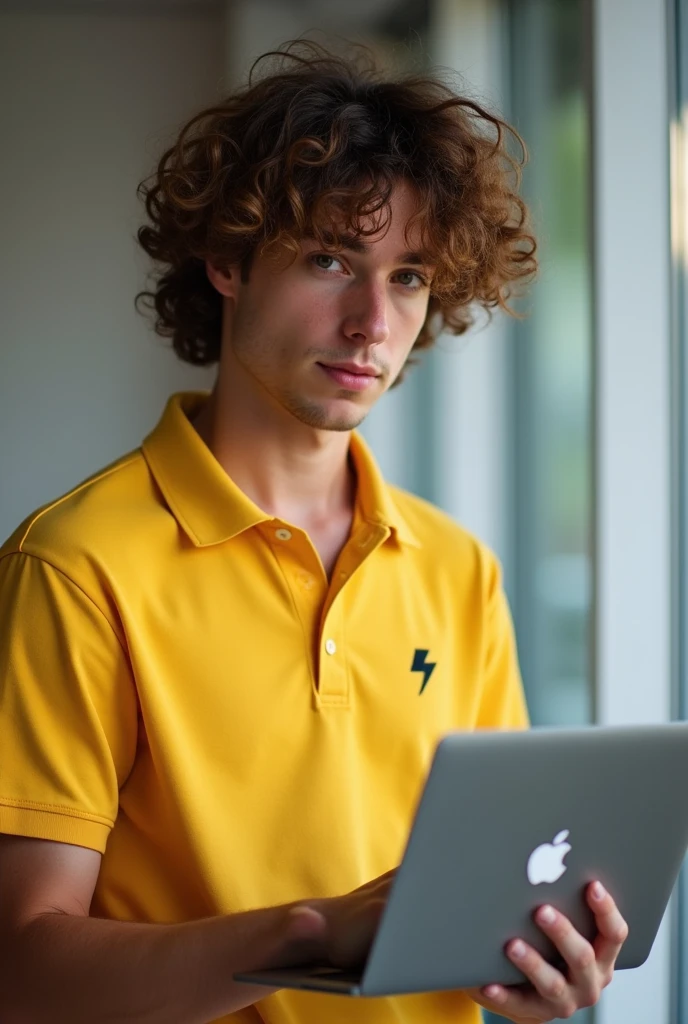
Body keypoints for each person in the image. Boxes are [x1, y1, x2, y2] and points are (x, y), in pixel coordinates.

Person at [0, 41, 627, 1024]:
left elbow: (479, 899)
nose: (372, 321)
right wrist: (307, 933)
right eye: (331, 259)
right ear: (227, 261)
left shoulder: (457, 568)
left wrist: (530, 962)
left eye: (410, 276)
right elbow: (24, 971)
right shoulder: (75, 564)